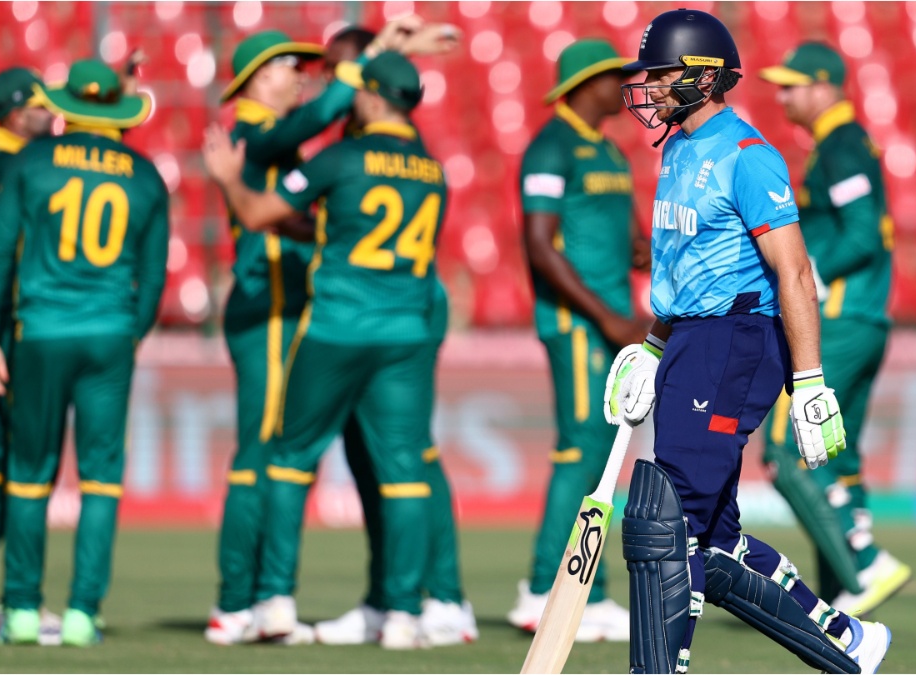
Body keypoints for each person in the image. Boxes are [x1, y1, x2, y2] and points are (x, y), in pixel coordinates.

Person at [605, 10, 890, 673]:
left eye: (663, 73)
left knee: (666, 520)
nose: (651, 87)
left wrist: (810, 382)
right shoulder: (677, 149)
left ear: (705, 78)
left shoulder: (749, 156)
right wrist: (653, 347)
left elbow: (794, 273)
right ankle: (847, 641)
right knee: (712, 540)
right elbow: (682, 268)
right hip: (690, 340)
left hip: (736, 341)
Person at [204, 19, 453, 646]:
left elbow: (262, 210)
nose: (308, 78)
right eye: (289, 66)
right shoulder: (433, 170)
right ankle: (403, 613)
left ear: (369, 97)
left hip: (333, 327)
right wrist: (389, 52)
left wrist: (228, 179)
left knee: (287, 460)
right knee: (404, 470)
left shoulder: (337, 156)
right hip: (400, 334)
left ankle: (268, 601)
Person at [0, 59, 169, 647]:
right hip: (110, 335)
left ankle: (21, 610)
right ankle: (82, 614)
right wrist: (129, 335)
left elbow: (0, 249)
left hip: (40, 331)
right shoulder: (147, 176)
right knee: (101, 479)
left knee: (30, 474)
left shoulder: (31, 163)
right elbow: (154, 280)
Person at [312, 24, 478, 648]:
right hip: (373, 311)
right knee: (369, 456)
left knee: (411, 454)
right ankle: (386, 596)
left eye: (344, 74)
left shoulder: (386, 144)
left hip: (400, 308)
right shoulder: (354, 142)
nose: (335, 86)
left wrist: (391, 51)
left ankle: (446, 597)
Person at [759, 42, 911, 617]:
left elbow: (862, 233)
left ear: (824, 86)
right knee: (834, 454)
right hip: (866, 318)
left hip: (841, 318)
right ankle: (842, 590)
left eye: (792, 85)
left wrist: (813, 278)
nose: (782, 96)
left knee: (786, 449)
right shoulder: (841, 145)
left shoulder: (842, 146)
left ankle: (863, 564)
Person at [507, 38, 648, 642]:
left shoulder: (609, 150)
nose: (625, 86)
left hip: (614, 317)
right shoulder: (551, 146)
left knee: (602, 452)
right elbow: (540, 248)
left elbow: (624, 231)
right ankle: (543, 588)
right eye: (615, 76)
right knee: (580, 447)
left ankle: (587, 589)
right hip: (578, 323)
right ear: (585, 83)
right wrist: (607, 317)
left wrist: (639, 248)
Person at [0, 66, 56, 646]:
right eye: (41, 106)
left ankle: (19, 596)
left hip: (23, 324)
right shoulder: (5, 165)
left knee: (25, 457)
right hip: (15, 326)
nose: (52, 114)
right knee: (18, 460)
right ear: (16, 112)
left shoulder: (16, 160)